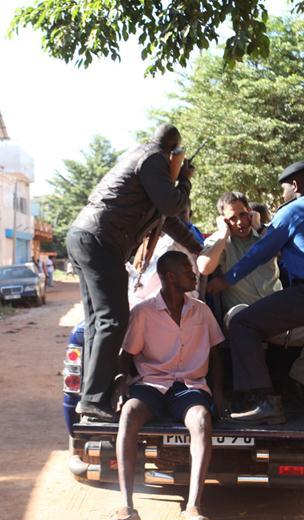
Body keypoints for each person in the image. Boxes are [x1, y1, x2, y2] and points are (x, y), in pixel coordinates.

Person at [206, 161, 304, 479]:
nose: (283, 194)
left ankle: (266, 401)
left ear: (294, 184)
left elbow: (261, 252)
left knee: (243, 324)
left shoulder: (292, 211)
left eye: (284, 188)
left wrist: (227, 280)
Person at [67, 124, 203, 421]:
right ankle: (93, 399)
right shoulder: (153, 157)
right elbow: (171, 203)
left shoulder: (143, 160)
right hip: (101, 242)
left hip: (86, 238)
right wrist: (185, 182)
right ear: (172, 152)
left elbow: (167, 218)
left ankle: (91, 398)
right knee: (113, 320)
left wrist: (198, 247)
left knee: (97, 323)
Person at [109, 251, 225, 520]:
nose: (194, 273)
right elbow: (127, 355)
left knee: (200, 420)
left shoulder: (201, 310)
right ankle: (127, 510)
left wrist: (220, 397)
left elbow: (217, 353)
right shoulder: (144, 312)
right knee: (129, 413)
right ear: (170, 277)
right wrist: (122, 383)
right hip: (152, 383)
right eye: (187, 270)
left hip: (190, 386)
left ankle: (193, 509)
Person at [197, 192, 304, 413]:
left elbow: (293, 251)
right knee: (237, 316)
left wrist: (262, 227)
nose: (239, 222)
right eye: (232, 218)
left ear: (251, 213)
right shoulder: (221, 243)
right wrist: (223, 234)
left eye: (243, 215)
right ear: (223, 220)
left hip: (278, 317)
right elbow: (204, 267)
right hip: (244, 319)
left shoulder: (268, 236)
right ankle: (258, 395)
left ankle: (297, 384)